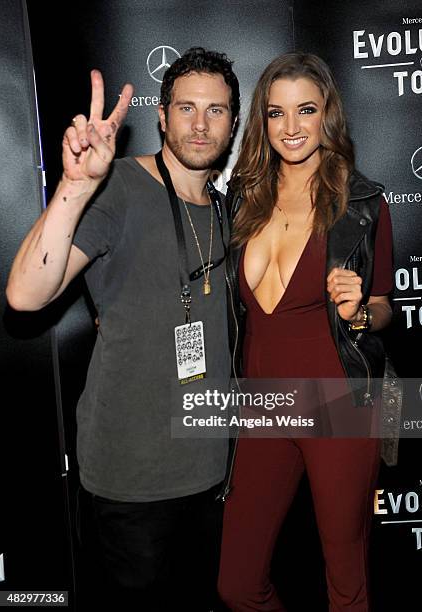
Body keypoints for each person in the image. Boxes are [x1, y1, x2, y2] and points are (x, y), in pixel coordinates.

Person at [6, 47, 240, 611]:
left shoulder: (228, 210)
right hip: (130, 485)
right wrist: (76, 186)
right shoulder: (118, 189)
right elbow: (24, 295)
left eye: (216, 110)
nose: (200, 124)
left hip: (211, 478)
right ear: (161, 116)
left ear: (233, 121)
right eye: (186, 108)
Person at [218, 52, 397, 611]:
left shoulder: (362, 203)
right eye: (276, 113)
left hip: (340, 403)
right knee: (236, 582)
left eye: (306, 110)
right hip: (263, 406)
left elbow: (383, 306)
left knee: (345, 583)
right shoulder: (242, 201)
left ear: (328, 117)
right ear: (262, 121)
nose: (291, 127)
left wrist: (358, 313)